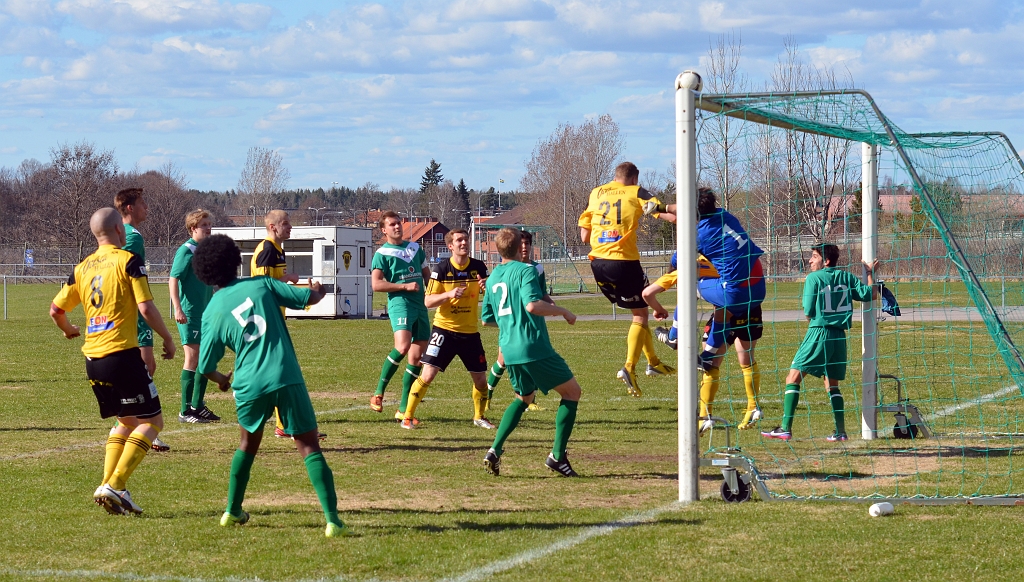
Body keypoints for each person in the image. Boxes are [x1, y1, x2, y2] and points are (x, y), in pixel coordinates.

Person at [194, 234, 349, 537]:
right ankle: (332, 520)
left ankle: (231, 511)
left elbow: (205, 367)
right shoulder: (260, 284)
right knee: (308, 446)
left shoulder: (211, 311)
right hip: (284, 375)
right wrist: (317, 288)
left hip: (249, 383)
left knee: (247, 446)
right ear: (236, 261)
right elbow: (309, 298)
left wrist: (222, 380)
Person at [50, 207, 176, 515]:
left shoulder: (81, 268)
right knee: (153, 421)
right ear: (120, 230)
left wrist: (70, 331)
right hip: (121, 355)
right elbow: (146, 308)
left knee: (125, 421)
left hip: (93, 359)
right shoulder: (128, 261)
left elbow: (56, 309)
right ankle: (116, 484)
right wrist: (168, 338)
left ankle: (107, 485)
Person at [650, 189, 766, 432]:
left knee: (688, 282)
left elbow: (676, 261)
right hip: (757, 288)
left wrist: (675, 263)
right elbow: (681, 213)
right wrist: (660, 210)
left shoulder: (699, 234)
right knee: (734, 354)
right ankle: (736, 400)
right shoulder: (725, 215)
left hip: (733, 292)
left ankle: (674, 336)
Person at [481, 228, 582, 477]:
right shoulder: (526, 270)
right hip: (532, 345)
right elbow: (532, 305)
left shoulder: (493, 279)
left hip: (509, 349)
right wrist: (564, 312)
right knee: (572, 393)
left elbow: (486, 319)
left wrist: (510, 322)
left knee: (523, 398)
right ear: (518, 248)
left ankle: (495, 449)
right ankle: (557, 456)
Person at [578, 162, 675, 398]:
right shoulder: (636, 191)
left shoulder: (597, 192)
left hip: (597, 263)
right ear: (634, 178)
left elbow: (584, 235)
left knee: (637, 313)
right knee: (641, 315)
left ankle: (653, 362)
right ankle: (629, 367)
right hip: (622, 261)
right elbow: (666, 212)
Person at [762, 244, 878, 442]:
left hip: (819, 332)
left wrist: (815, 320)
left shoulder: (813, 278)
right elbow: (870, 294)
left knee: (793, 377)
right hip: (840, 337)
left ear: (826, 261)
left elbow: (808, 309)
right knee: (832, 384)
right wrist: (869, 272)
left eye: (814, 257)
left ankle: (785, 428)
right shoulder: (848, 277)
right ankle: (840, 432)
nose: (809, 261)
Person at [402, 229, 493, 429]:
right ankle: (407, 416)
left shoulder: (478, 267)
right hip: (444, 331)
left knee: (480, 378)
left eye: (465, 239)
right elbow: (428, 301)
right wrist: (449, 294)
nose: (463, 243)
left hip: (470, 333)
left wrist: (488, 287)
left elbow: (491, 293)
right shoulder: (441, 269)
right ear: (450, 246)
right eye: (459, 240)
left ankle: (479, 416)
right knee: (427, 375)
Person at [250, 210, 324, 440]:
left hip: (274, 318)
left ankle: (282, 422)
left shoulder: (277, 249)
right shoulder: (267, 249)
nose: (290, 227)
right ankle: (284, 423)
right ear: (273, 227)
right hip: (265, 319)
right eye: (285, 223)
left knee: (277, 371)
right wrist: (289, 279)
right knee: (281, 371)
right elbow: (262, 284)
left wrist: (304, 292)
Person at [114, 187, 169, 452]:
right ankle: (135, 426)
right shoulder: (132, 237)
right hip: (135, 310)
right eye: (142, 203)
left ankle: (132, 424)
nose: (147, 207)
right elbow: (126, 273)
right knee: (143, 368)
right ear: (129, 208)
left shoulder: (128, 235)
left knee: (147, 367)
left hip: (132, 310)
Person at [370, 211, 431, 422]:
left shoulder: (415, 248)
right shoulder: (382, 254)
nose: (397, 227)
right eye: (392, 224)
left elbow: (426, 274)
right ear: (383, 230)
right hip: (400, 304)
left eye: (399, 223)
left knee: (416, 358)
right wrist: (403, 286)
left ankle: (403, 409)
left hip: (420, 306)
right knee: (402, 347)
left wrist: (433, 291)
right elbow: (376, 284)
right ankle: (378, 393)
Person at [486, 229, 552, 412]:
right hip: (512, 323)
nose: (524, 247)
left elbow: (542, 293)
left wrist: (552, 305)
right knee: (502, 360)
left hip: (531, 323)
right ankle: (487, 394)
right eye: (521, 244)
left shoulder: (536, 269)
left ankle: (529, 400)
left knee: (532, 357)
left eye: (527, 243)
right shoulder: (506, 270)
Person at [169, 209, 216, 424]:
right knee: (192, 358)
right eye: (203, 225)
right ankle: (184, 410)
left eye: (209, 224)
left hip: (206, 314)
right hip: (190, 314)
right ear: (192, 228)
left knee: (205, 359)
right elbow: (174, 279)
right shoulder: (186, 250)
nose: (208, 228)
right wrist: (177, 308)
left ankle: (198, 406)